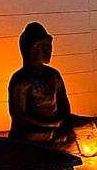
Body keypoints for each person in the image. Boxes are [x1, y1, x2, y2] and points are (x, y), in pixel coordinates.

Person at [7, 22, 80, 151]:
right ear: (31, 50)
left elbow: (64, 103)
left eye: (49, 47)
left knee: (79, 130)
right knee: (33, 138)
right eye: (44, 48)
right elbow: (19, 115)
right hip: (32, 130)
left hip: (55, 124)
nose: (49, 51)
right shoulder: (21, 80)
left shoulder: (54, 75)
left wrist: (64, 121)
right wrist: (50, 124)